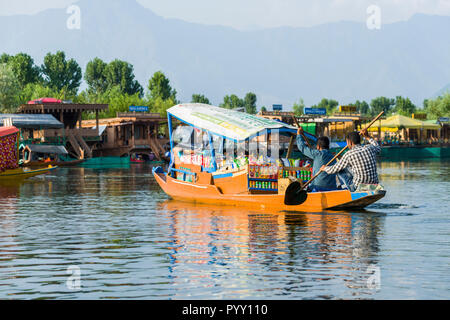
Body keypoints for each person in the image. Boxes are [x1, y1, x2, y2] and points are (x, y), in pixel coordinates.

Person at [296, 127, 337, 191]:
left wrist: (298, 134)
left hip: (318, 186)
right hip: (332, 187)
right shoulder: (333, 156)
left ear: (318, 146)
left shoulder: (318, 154)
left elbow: (302, 147)